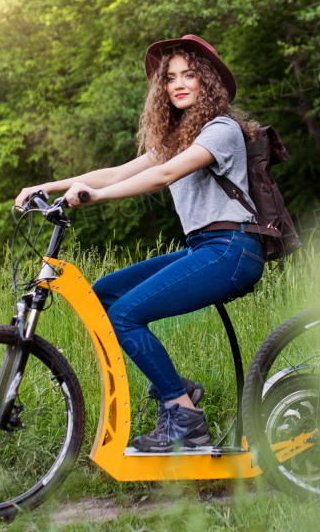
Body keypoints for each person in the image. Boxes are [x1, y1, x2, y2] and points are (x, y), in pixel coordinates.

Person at [15, 35, 266, 451]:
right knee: (105, 295)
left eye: (189, 75)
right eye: (170, 78)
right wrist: (46, 186)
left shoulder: (221, 131)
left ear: (208, 83)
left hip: (233, 249)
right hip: (204, 247)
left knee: (126, 315)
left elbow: (163, 177)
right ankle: (175, 388)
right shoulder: (174, 140)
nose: (179, 84)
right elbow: (115, 173)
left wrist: (94, 198)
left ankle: (185, 418)